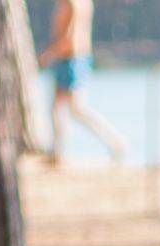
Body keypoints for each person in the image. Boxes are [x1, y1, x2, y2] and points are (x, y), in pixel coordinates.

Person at [38, 0, 125, 164]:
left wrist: (47, 54)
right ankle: (57, 152)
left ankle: (116, 142)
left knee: (77, 109)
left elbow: (67, 37)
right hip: (70, 59)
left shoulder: (72, 4)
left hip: (72, 59)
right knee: (57, 108)